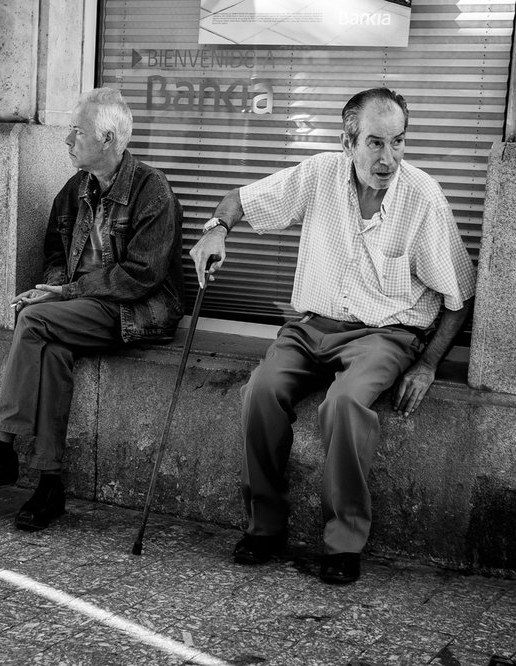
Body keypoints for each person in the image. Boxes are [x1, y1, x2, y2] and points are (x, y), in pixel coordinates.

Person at [189, 88, 476, 584]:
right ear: (348, 141)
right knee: (259, 391)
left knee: (343, 404)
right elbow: (238, 201)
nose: (389, 159)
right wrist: (217, 229)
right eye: (375, 143)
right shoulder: (319, 174)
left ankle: (343, 541)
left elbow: (460, 294)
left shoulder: (423, 196)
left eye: (399, 142)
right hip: (310, 326)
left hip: (382, 335)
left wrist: (427, 364)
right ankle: (265, 526)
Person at [0, 88, 184, 532]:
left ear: (108, 139)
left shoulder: (152, 191)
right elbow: (55, 251)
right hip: (79, 306)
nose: (67, 141)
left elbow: (140, 276)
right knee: (50, 351)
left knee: (32, 319)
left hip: (136, 311)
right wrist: (54, 286)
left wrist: (62, 294)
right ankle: (49, 485)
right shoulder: (76, 190)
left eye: (77, 132)